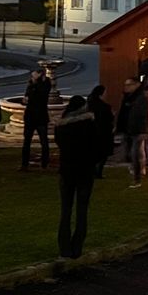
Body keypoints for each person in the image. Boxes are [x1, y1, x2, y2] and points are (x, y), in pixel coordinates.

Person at [54, 94, 98, 258]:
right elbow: (96, 146)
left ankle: (64, 247)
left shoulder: (61, 126)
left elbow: (59, 143)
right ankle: (77, 246)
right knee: (82, 209)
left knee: (65, 210)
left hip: (67, 170)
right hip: (85, 171)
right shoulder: (89, 124)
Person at [20, 69, 52, 171]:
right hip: (30, 116)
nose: (32, 77)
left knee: (44, 141)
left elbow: (41, 95)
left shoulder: (45, 83)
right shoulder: (31, 84)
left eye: (33, 75)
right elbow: (27, 96)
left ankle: (44, 164)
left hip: (41, 117)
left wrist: (35, 83)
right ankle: (24, 164)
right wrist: (25, 100)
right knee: (27, 141)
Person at [122, 82, 148, 188]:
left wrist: (143, 130)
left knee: (136, 153)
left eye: (129, 85)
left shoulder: (141, 99)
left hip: (138, 131)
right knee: (135, 152)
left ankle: (137, 177)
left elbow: (144, 116)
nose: (126, 87)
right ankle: (137, 173)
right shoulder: (131, 98)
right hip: (132, 130)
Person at [86, 84, 114, 179]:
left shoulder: (89, 105)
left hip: (92, 132)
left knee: (94, 153)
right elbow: (109, 119)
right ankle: (98, 172)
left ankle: (92, 171)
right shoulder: (105, 107)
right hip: (103, 132)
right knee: (103, 153)